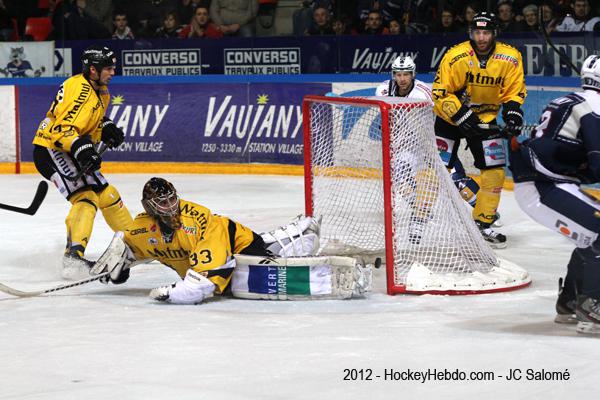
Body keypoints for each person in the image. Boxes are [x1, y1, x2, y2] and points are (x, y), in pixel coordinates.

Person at [95, 177, 323, 304]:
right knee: (234, 280)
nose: (170, 206)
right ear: (149, 207)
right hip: (224, 253)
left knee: (246, 275)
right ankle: (297, 235)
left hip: (240, 245)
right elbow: (129, 250)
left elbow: (198, 288)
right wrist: (119, 268)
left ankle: (299, 237)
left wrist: (174, 293)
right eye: (163, 202)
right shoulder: (143, 228)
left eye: (172, 199)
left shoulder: (197, 221)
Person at [509, 54, 600, 335]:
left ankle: (570, 302)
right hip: (542, 185)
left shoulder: (573, 99)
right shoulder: (595, 105)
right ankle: (591, 305)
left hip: (549, 181)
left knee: (590, 236)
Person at [32, 45, 133, 279]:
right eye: (107, 68)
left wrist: (105, 126)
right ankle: (73, 258)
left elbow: (90, 119)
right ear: (93, 70)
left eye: (112, 67)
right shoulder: (79, 89)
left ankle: (134, 240)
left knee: (106, 194)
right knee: (86, 198)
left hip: (67, 146)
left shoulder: (101, 90)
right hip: (51, 148)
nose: (112, 72)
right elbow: (61, 130)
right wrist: (83, 148)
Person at [431, 12, 526, 249]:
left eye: (486, 32)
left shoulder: (511, 58)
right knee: (436, 170)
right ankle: (419, 219)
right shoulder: (456, 56)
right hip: (450, 119)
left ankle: (483, 223)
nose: (481, 37)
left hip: (486, 119)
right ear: (471, 33)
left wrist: (513, 112)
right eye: (477, 32)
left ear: (494, 33)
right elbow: (440, 92)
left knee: (494, 172)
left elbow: (514, 91)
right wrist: (463, 115)